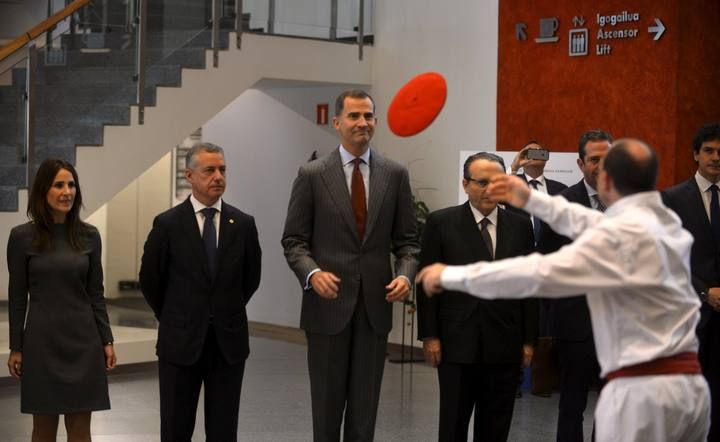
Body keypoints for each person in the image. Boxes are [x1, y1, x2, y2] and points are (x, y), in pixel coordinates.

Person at [417, 139, 710, 442]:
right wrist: (532, 199)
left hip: (643, 395)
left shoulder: (617, 240)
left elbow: (535, 274)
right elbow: (588, 221)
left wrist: (452, 275)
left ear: (606, 179)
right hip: (691, 388)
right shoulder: (665, 222)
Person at [281, 89, 419, 442]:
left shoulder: (395, 174)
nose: (363, 123)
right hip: (327, 309)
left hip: (375, 310)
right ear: (337, 122)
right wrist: (312, 273)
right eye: (355, 116)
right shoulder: (312, 174)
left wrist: (405, 275)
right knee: (326, 411)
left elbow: (407, 242)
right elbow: (294, 241)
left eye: (369, 116)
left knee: (364, 412)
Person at [139, 142, 262, 442]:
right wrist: (174, 314)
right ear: (189, 175)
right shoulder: (167, 224)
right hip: (179, 343)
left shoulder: (243, 224)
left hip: (227, 344)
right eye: (209, 170)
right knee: (175, 427)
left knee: (223, 429)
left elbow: (251, 279)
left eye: (222, 169)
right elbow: (150, 280)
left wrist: (222, 310)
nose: (218, 176)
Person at [416, 152, 537, 442]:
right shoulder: (441, 223)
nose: (489, 189)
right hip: (456, 344)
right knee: (453, 424)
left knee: (496, 425)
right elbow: (428, 284)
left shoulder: (520, 226)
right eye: (481, 182)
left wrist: (529, 340)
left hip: (505, 344)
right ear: (465, 184)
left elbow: (530, 285)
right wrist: (430, 336)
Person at [6, 158, 116, 442]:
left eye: (71, 185)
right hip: (42, 345)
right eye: (59, 185)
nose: (67, 191)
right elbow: (17, 298)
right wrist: (16, 347)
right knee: (43, 431)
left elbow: (96, 293)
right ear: (43, 190)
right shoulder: (21, 237)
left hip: (83, 343)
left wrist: (107, 340)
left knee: (80, 430)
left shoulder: (89, 236)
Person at [538, 129, 612, 441]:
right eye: (594, 159)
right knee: (572, 404)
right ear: (581, 164)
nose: (601, 165)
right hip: (576, 324)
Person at [662, 122, 720, 441]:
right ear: (695, 155)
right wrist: (704, 291)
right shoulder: (671, 199)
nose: (715, 157)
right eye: (709, 150)